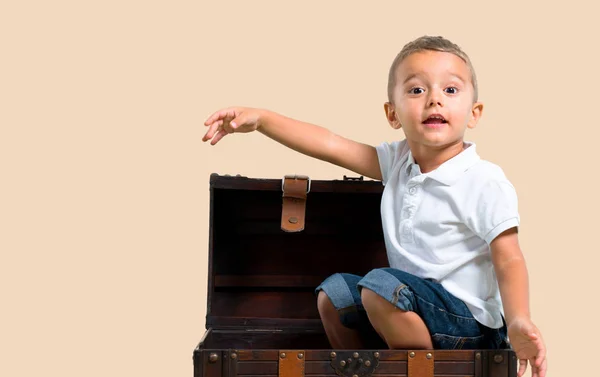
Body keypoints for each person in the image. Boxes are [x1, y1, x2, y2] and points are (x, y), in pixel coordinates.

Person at [202, 35, 547, 377]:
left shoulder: (483, 179)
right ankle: (366, 371)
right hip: (410, 307)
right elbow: (329, 144)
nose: (434, 100)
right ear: (392, 114)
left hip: (469, 326)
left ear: (474, 114)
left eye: (450, 90)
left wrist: (518, 319)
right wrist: (262, 120)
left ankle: (421, 371)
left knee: (379, 286)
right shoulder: (397, 161)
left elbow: (509, 257)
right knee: (334, 294)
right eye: (416, 90)